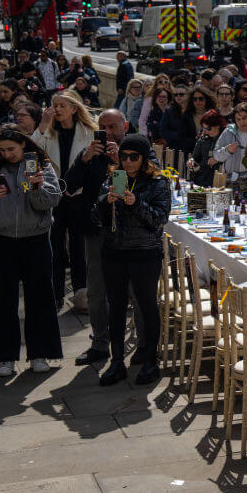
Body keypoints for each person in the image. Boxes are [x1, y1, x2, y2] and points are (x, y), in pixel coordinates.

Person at [0, 125, 62, 377]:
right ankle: (4, 357)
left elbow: (50, 201)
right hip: (3, 240)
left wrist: (36, 187)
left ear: (24, 145)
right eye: (1, 150)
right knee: (2, 300)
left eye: (11, 149)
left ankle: (39, 354)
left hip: (36, 239)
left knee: (40, 297)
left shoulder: (42, 167)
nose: (7, 154)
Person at [95, 134, 172, 386]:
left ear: (144, 158)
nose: (127, 162)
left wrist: (136, 202)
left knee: (147, 304)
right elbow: (97, 216)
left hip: (144, 252)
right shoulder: (113, 178)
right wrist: (107, 201)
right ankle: (117, 361)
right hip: (114, 251)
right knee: (116, 306)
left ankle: (150, 361)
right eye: (124, 156)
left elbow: (159, 220)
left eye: (133, 157)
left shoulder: (157, 183)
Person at [63, 108, 133, 366]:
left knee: (132, 291)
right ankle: (100, 342)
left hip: (129, 232)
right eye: (103, 127)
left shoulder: (136, 149)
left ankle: (137, 343)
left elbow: (126, 189)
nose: (108, 132)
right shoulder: (90, 154)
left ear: (125, 125)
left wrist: (119, 163)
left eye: (113, 126)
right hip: (97, 229)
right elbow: (68, 185)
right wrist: (83, 160)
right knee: (96, 291)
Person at [32, 90, 97, 312]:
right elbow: (30, 154)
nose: (57, 109)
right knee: (56, 248)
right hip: (54, 198)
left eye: (62, 106)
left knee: (79, 248)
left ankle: (82, 295)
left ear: (74, 109)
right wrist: (42, 125)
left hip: (78, 197)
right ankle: (55, 294)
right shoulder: (47, 132)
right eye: (54, 105)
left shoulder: (88, 131)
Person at [214, 102, 247, 196]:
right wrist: (227, 150)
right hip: (232, 179)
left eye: (244, 118)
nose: (241, 122)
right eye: (238, 119)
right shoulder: (229, 131)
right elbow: (216, 155)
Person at [189, 110, 226, 187]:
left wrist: (219, 159)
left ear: (217, 126)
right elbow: (195, 157)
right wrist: (191, 161)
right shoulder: (203, 138)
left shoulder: (226, 138)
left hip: (220, 182)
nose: (206, 132)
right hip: (201, 179)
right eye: (204, 128)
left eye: (208, 129)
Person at [160, 85, 198, 154]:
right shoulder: (169, 111)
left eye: (181, 94)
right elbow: (163, 131)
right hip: (174, 149)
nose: (178, 96)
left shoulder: (194, 110)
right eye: (176, 94)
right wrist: (178, 136)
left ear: (188, 95)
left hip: (191, 149)